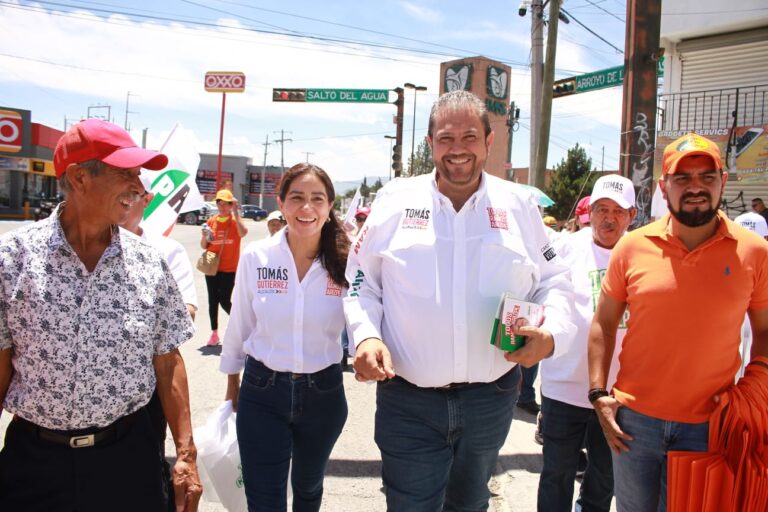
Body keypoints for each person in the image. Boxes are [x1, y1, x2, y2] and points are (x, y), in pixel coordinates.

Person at [345, 90, 575, 511]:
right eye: (445, 138)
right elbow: (361, 280)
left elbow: (556, 278)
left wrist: (551, 332)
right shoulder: (395, 200)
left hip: (491, 400)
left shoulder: (519, 205)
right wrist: (365, 336)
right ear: (430, 143)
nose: (457, 149)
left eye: (469, 136)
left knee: (470, 505)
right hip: (408, 399)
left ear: (489, 142)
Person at [0, 119, 201, 512]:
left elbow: (167, 362)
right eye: (125, 173)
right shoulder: (12, 259)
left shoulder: (149, 263)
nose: (140, 188)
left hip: (126, 462)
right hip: (33, 466)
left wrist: (186, 455)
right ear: (79, 178)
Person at [588, 132, 768, 512]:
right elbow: (603, 324)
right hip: (633, 425)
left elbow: (765, 330)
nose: (696, 187)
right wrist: (597, 394)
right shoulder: (632, 246)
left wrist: (753, 394)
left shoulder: (754, 251)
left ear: (723, 180)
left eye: (707, 176)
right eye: (682, 178)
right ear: (663, 186)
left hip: (710, 425)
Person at [221, 163, 349, 511]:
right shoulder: (257, 257)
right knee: (264, 498)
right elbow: (240, 324)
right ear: (281, 202)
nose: (306, 208)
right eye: (297, 198)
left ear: (329, 207)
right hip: (262, 393)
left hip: (323, 394)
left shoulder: (347, 261)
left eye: (317, 199)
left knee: (308, 489)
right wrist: (232, 386)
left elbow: (365, 318)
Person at [538, 174, 637, 512]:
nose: (609, 218)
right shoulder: (565, 248)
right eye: (601, 209)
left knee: (604, 477)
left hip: (617, 394)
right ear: (589, 212)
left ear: (632, 215)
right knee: (556, 474)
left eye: (618, 211)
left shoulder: (641, 254)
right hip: (562, 387)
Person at [120, 178, 199, 511]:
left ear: (147, 199)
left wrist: (186, 453)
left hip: (147, 392)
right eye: (119, 194)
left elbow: (186, 313)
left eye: (132, 195)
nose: (124, 202)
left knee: (141, 474)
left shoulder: (164, 251)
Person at [201, 188, 248, 346]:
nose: (222, 207)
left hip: (229, 268)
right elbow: (204, 245)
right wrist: (204, 236)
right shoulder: (211, 221)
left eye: (226, 204)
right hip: (212, 266)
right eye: (219, 203)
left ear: (231, 205)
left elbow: (243, 233)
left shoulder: (235, 221)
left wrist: (236, 213)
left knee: (224, 300)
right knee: (212, 301)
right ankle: (214, 334)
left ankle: (243, 326)